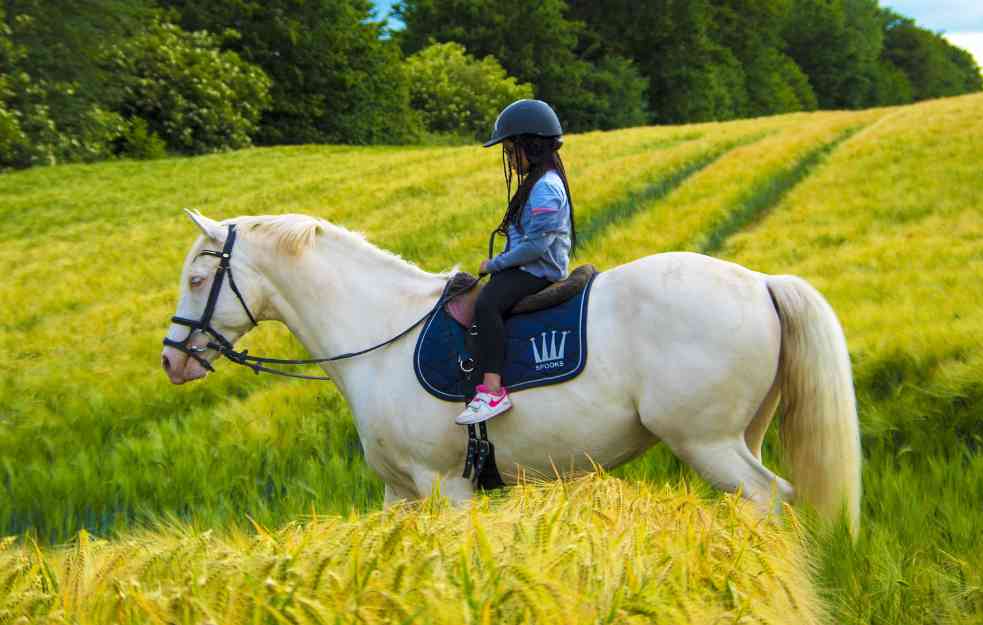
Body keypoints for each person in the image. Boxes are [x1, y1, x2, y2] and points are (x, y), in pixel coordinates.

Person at [455, 99, 576, 426]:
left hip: (537, 271)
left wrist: (496, 264)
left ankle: (493, 391)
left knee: (488, 305)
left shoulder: (546, 188)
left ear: (532, 146)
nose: (509, 159)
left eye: (512, 151)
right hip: (526, 266)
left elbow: (537, 246)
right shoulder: (538, 182)